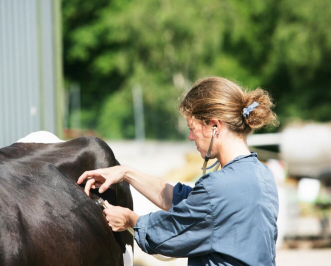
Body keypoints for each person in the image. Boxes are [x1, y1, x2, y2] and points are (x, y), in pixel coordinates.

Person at [77, 77, 279, 266]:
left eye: (192, 128)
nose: (191, 137)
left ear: (214, 126)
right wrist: (126, 173)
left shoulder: (218, 188)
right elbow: (190, 203)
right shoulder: (262, 175)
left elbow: (167, 234)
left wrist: (131, 220)